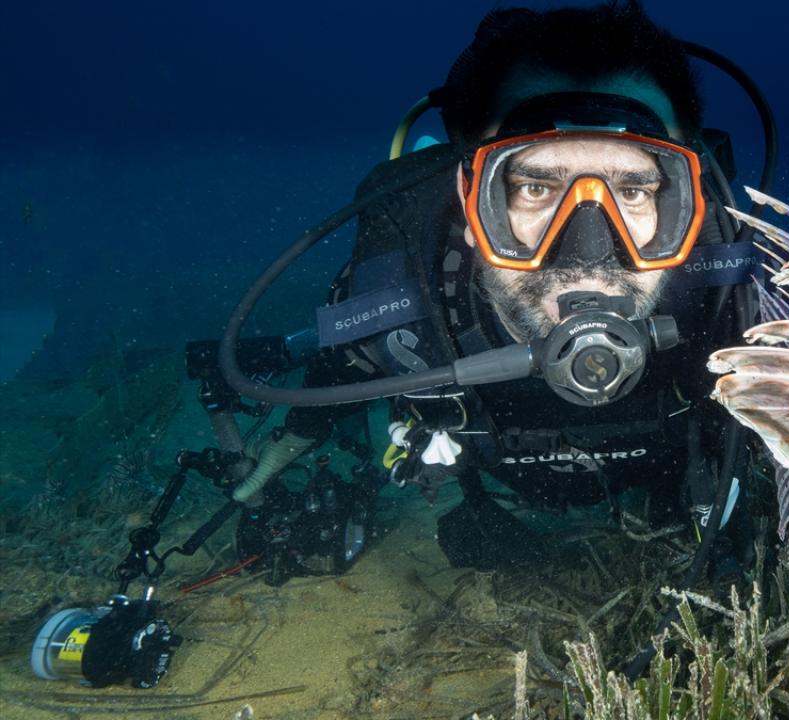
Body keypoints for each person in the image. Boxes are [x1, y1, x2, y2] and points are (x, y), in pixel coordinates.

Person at [224, 0, 761, 572]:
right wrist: (276, 458)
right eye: (534, 187)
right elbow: (337, 370)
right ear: (468, 199)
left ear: (685, 205)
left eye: (632, 191)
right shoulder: (404, 315)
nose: (588, 252)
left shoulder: (734, 309)